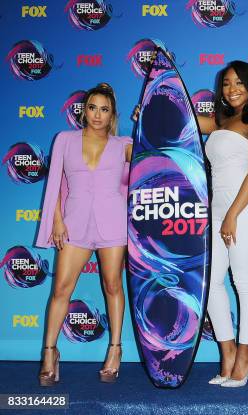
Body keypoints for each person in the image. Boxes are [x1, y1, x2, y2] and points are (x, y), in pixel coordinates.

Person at [36, 83, 133, 386]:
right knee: (62, 289)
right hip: (73, 224)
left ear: (112, 114)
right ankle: (50, 352)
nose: (97, 115)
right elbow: (53, 184)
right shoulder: (64, 140)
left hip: (113, 223)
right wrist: (57, 221)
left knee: (113, 285)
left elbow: (155, 150)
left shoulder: (124, 144)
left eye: (104, 109)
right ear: (83, 109)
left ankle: (115, 349)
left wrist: (145, 120)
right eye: (92, 107)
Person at [199, 61, 248, 387]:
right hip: (218, 208)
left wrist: (232, 215)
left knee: (244, 281)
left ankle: (246, 354)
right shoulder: (220, 121)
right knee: (210, 283)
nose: (232, 89)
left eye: (239, 82)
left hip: (246, 207)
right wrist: (151, 110)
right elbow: (183, 121)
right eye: (226, 83)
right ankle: (227, 351)